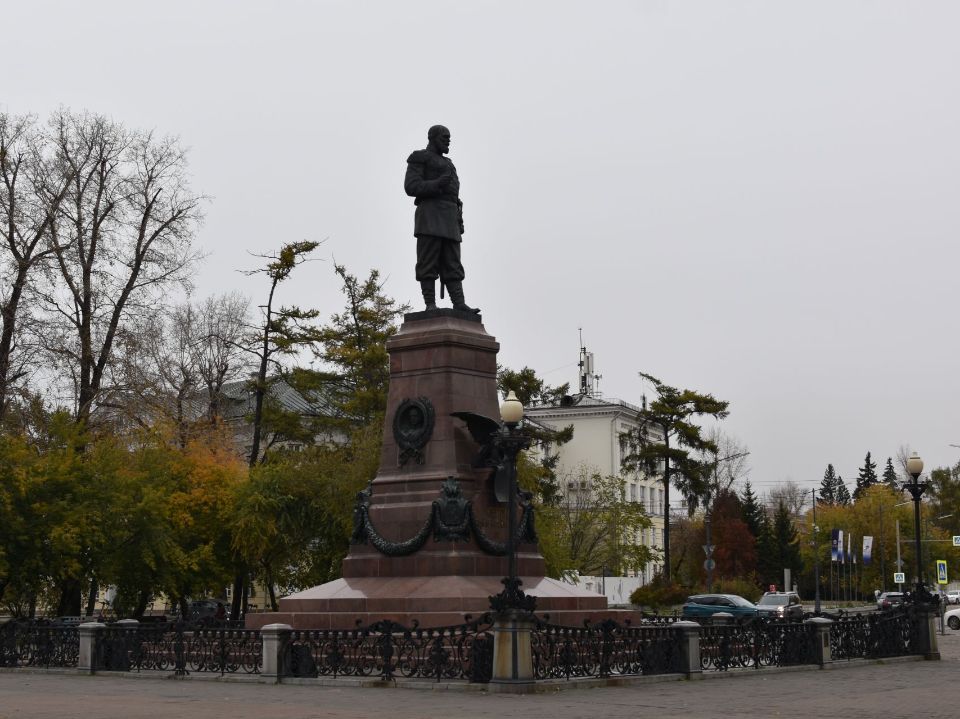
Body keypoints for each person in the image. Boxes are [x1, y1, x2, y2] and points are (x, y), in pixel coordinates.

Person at [404, 125, 479, 314]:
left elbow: (454, 197)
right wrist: (437, 184)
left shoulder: (450, 164)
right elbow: (411, 186)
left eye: (449, 138)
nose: (448, 141)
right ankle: (430, 303)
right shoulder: (419, 157)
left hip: (450, 218)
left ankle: (459, 302)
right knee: (427, 260)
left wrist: (458, 219)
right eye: (444, 137)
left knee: (453, 262)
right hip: (430, 215)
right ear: (433, 137)